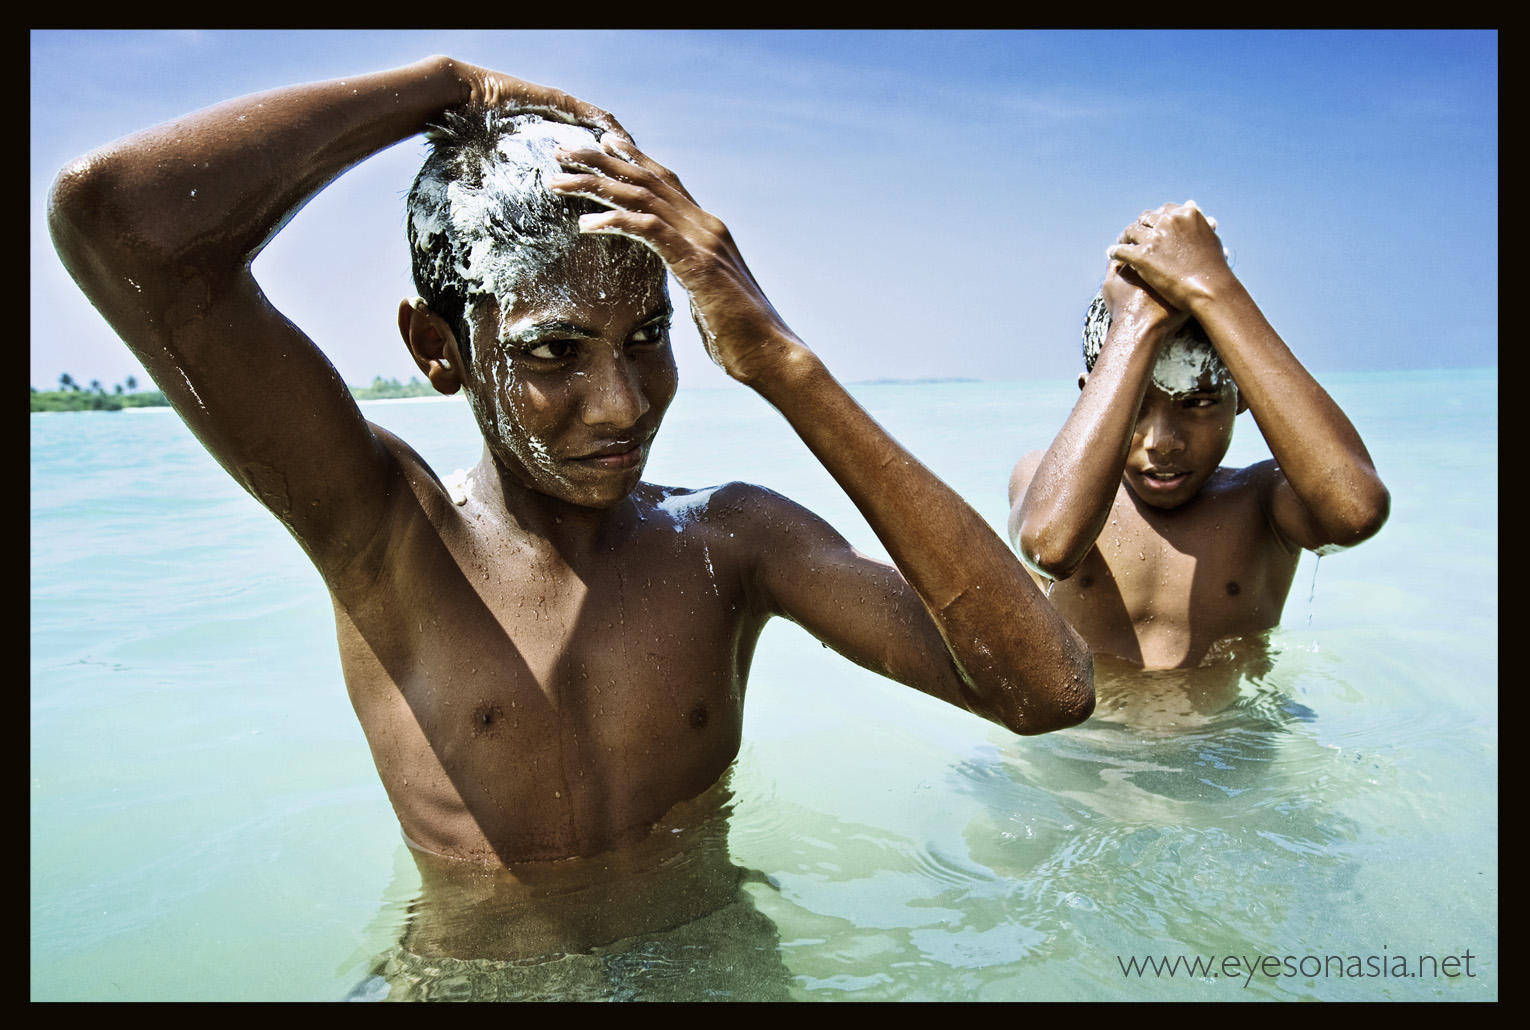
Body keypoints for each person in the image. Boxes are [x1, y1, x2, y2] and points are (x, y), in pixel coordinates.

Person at [50, 57, 1090, 875]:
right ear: (438, 349)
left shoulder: (731, 544)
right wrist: (446, 90)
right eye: (553, 352)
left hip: (705, 962)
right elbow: (115, 217)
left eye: (648, 335)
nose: (624, 404)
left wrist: (780, 361)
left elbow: (1045, 690)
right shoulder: (391, 537)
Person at [1008, 201, 1390, 672]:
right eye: (1137, 406)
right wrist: (1137, 321)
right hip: (1082, 747)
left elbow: (1355, 512)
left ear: (1245, 396)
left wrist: (1215, 288)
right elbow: (1050, 546)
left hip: (1234, 744)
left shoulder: (1262, 503)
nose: (1164, 441)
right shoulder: (1044, 481)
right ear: (1095, 401)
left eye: (1199, 403)